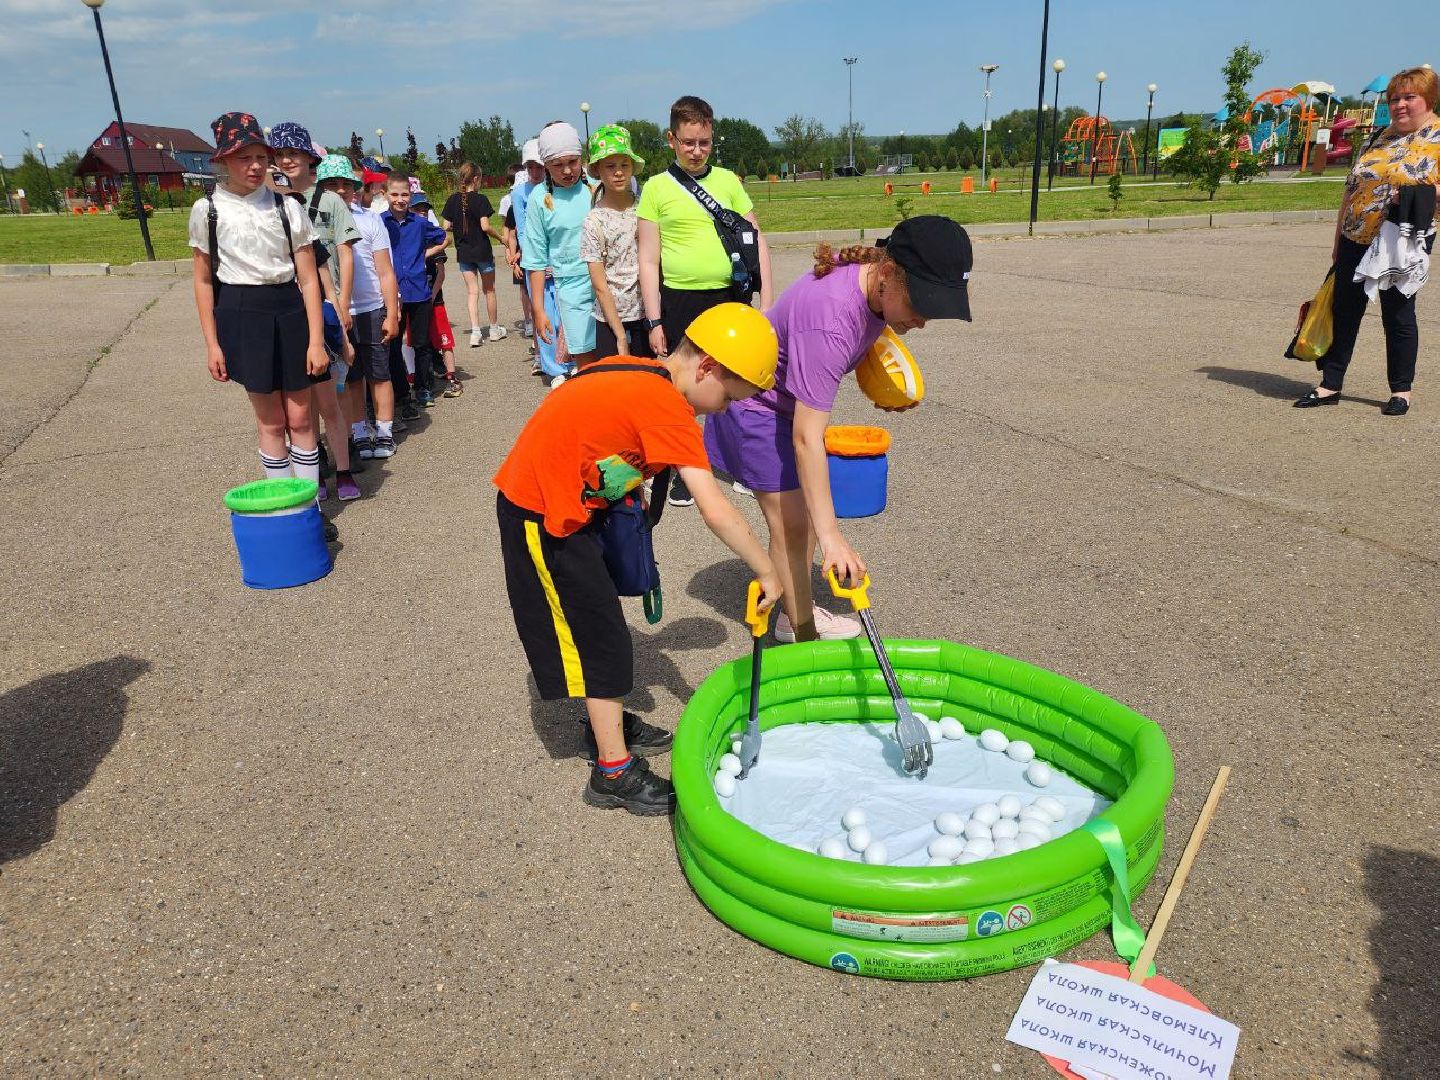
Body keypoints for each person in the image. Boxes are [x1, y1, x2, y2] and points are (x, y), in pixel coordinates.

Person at [493, 303, 783, 815]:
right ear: (707, 368)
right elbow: (715, 510)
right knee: (600, 639)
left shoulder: (650, 373)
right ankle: (612, 772)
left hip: (572, 503)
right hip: (542, 513)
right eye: (726, 398)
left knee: (601, 625)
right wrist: (767, 570)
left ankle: (606, 722)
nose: (720, 411)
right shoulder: (668, 406)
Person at [705, 216, 974, 643]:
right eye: (920, 304)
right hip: (754, 405)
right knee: (795, 526)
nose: (923, 320)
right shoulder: (831, 320)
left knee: (804, 520)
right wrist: (833, 538)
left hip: (787, 405)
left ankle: (794, 612)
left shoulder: (873, 283)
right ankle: (801, 635)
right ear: (887, 273)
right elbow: (806, 438)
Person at [188, 111, 331, 533]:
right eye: (242, 157)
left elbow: (308, 278)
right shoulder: (208, 210)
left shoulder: (287, 208)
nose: (254, 166)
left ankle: (308, 512)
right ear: (223, 161)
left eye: (259, 156)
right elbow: (201, 280)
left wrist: (316, 340)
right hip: (240, 311)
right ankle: (284, 512)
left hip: (289, 309)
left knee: (302, 418)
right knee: (270, 421)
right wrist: (212, 344)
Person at [637, 95, 774, 505]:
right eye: (688, 142)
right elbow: (648, 258)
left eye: (704, 143)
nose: (696, 151)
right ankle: (684, 467)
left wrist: (767, 299)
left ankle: (741, 463)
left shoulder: (729, 182)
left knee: (736, 382)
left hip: (729, 298)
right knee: (686, 389)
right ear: (671, 140)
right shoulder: (656, 188)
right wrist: (654, 321)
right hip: (679, 298)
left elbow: (756, 240)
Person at [1296, 67, 1440, 416]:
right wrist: (1336, 241)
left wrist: (1418, 194)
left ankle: (1401, 390)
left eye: (1409, 97)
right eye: (1395, 99)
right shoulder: (1378, 136)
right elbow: (1351, 190)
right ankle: (1330, 384)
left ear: (1429, 99)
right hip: (1355, 234)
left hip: (1400, 240)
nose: (1400, 105)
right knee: (1345, 309)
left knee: (1398, 313)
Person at [269, 129, 363, 502]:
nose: (287, 160)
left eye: (295, 152)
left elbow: (338, 257)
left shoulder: (328, 201)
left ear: (310, 157)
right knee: (296, 407)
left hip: (324, 309)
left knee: (331, 399)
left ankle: (343, 471)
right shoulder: (268, 205)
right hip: (282, 312)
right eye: (281, 153)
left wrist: (341, 308)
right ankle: (313, 471)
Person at [315, 160, 402, 462]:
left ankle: (385, 430)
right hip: (334, 310)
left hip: (370, 307)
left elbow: (386, 271)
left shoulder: (371, 220)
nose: (341, 191)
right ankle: (359, 432)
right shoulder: (315, 221)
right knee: (350, 378)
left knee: (379, 373)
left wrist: (392, 311)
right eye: (332, 185)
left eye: (347, 185)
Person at [524, 121, 598, 385]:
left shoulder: (596, 188)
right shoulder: (539, 198)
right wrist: (539, 310)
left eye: (573, 162)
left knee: (614, 356)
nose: (568, 171)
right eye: (558, 165)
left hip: (608, 284)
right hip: (571, 287)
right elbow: (534, 259)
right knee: (586, 359)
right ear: (545, 165)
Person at [581, 124, 651, 359]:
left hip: (645, 314)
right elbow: (599, 284)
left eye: (624, 165)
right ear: (598, 170)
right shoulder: (594, 220)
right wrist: (620, 335)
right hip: (610, 321)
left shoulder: (645, 209)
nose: (619, 172)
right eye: (611, 166)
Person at [381, 175, 448, 411]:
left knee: (421, 344)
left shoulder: (420, 223)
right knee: (394, 345)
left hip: (419, 291)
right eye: (395, 195)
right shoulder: (380, 223)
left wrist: (424, 255)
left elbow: (443, 238)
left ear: (411, 195)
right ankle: (401, 393)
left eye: (405, 195)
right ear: (385, 194)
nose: (400, 200)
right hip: (393, 294)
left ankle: (422, 387)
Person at [442, 162, 507, 348]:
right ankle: (494, 329)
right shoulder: (481, 200)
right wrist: (500, 238)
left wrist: (458, 226)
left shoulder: (452, 199)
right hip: (482, 251)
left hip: (464, 253)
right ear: (476, 179)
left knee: (472, 291)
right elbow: (485, 226)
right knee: (490, 290)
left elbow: (446, 225)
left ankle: (476, 332)